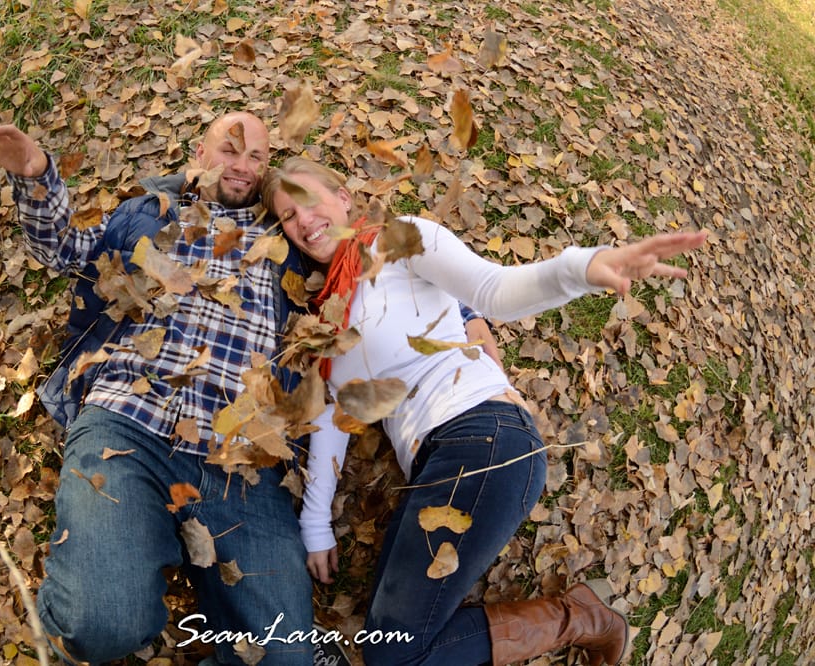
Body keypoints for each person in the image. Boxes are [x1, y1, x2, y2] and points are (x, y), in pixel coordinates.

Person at [261, 157, 707, 666]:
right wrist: (315, 521)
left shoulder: (396, 241)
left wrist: (578, 269)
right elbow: (333, 415)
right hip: (433, 471)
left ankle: (580, 619)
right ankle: (579, 614)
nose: (304, 221)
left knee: (392, 657)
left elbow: (492, 290)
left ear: (343, 197)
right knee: (388, 644)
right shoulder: (329, 313)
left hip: (483, 436)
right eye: (288, 215)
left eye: (310, 200)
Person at [0, 113, 316, 665]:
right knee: (98, 627)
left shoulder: (285, 240)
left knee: (286, 659)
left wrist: (466, 314)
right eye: (231, 150)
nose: (244, 167)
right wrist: (35, 175)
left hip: (241, 459)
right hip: (131, 423)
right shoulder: (152, 213)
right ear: (200, 151)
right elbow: (66, 251)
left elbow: (364, 262)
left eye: (256, 158)